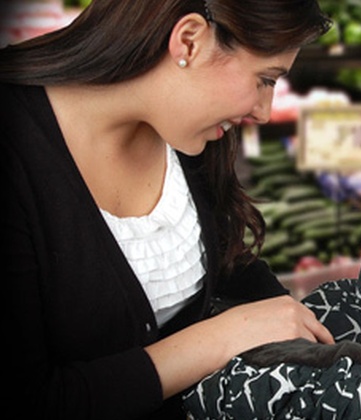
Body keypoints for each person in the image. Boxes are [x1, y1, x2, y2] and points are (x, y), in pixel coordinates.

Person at [0, 1, 334, 419]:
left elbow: (229, 263)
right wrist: (216, 341)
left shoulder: (188, 134)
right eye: (265, 80)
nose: (263, 112)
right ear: (189, 41)